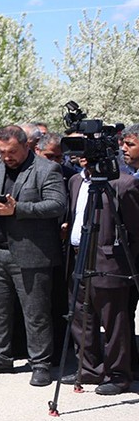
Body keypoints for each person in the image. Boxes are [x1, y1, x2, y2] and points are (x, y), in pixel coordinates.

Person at [0, 125, 67, 387]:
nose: (6, 157)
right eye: (1, 152)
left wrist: (17, 209)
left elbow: (57, 204)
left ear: (27, 146)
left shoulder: (47, 169)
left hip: (31, 252)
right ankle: (1, 356)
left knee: (36, 313)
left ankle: (41, 363)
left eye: (11, 151)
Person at [65, 163, 139, 395]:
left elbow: (136, 228)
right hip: (78, 255)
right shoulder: (75, 181)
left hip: (109, 259)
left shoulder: (124, 184)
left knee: (114, 320)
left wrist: (123, 258)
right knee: (80, 315)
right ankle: (89, 368)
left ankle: (118, 374)